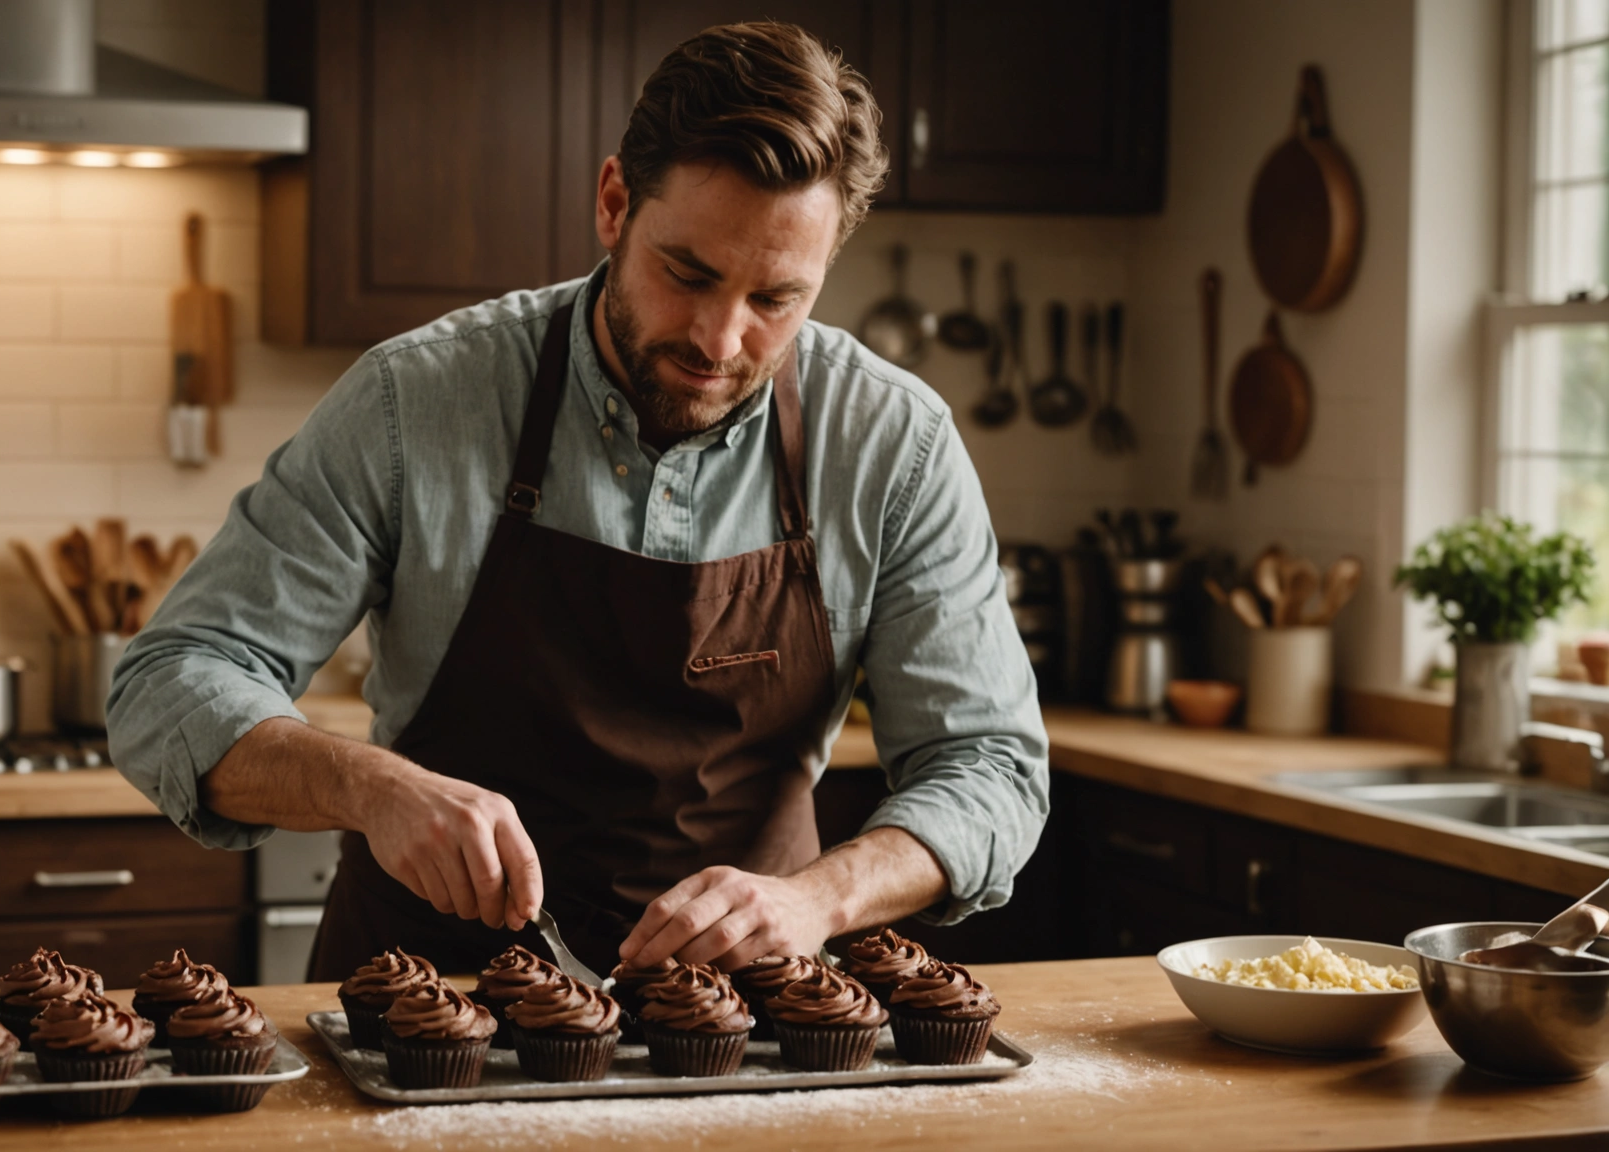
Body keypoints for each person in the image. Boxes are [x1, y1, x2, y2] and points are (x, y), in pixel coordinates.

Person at [108, 21, 1048, 980]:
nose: (720, 341)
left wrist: (819, 898)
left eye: (776, 300)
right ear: (613, 204)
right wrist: (371, 787)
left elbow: (992, 768)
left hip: (748, 1030)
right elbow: (172, 679)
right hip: (422, 1010)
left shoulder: (894, 443)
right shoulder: (415, 402)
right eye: (689, 274)